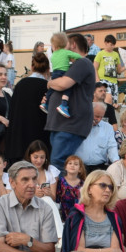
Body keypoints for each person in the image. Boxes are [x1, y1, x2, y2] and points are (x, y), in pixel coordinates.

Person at [59, 171, 126, 252]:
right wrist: (109, 251)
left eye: (111, 187)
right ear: (89, 188)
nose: (108, 190)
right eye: (103, 185)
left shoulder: (113, 217)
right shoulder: (77, 215)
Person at [45, 34, 97, 170]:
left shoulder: (83, 62)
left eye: (65, 43)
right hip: (61, 124)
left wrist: (50, 83)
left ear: (72, 44)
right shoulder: (72, 65)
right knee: (57, 163)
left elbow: (63, 84)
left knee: (58, 163)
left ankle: (62, 185)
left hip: (70, 124)